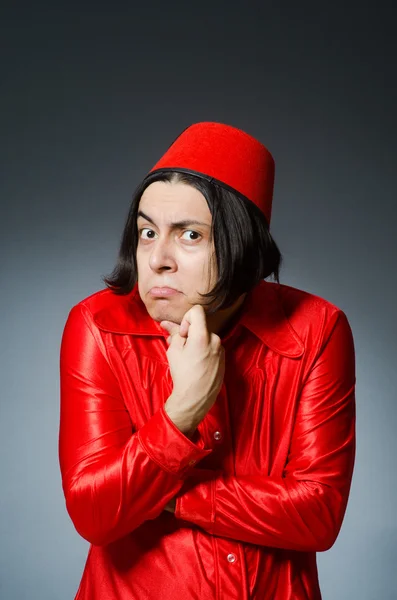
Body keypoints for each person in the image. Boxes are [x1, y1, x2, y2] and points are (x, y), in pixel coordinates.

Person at [58, 122, 356, 600]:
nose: (157, 258)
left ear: (243, 246)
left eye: (190, 235)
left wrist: (162, 497)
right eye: (147, 231)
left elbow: (318, 517)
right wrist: (182, 414)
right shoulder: (97, 325)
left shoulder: (317, 329)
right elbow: (94, 515)